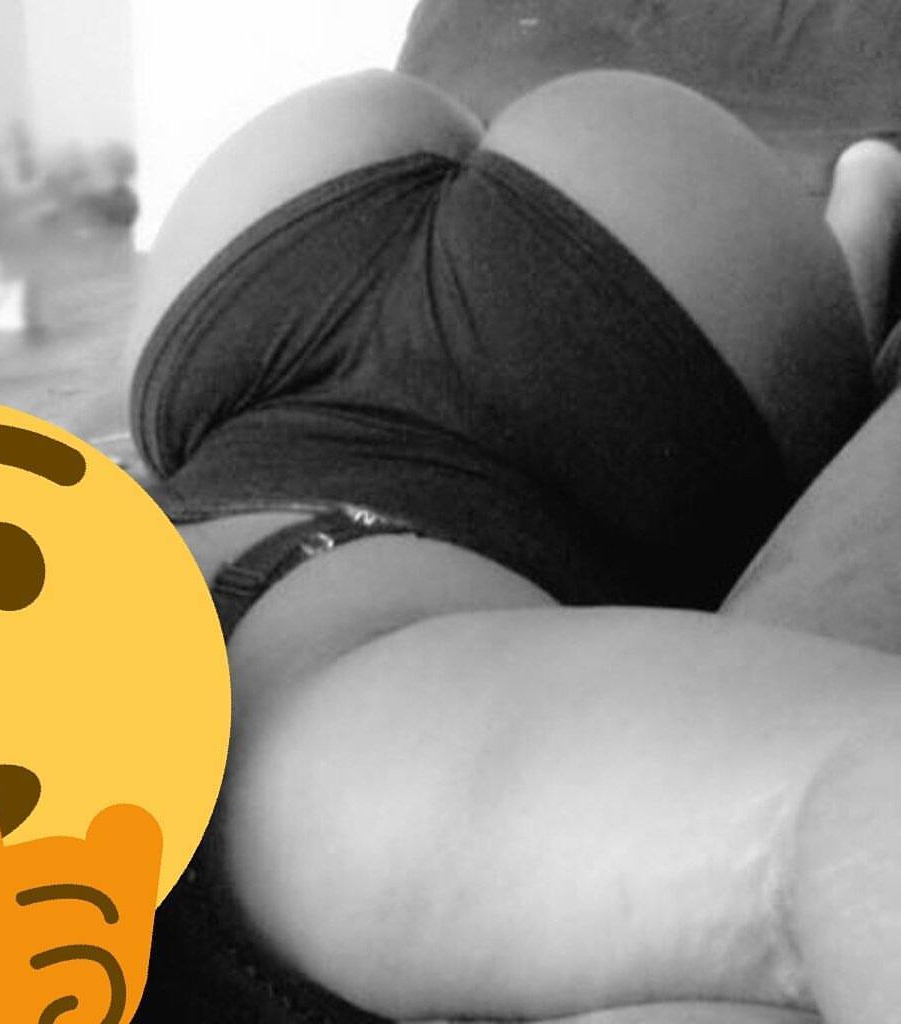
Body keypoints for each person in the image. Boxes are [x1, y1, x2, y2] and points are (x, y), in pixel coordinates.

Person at [125, 69, 901, 1023]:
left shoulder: (330, 818)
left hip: (596, 296)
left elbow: (859, 803)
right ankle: (867, 210)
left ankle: (861, 217)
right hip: (237, 300)